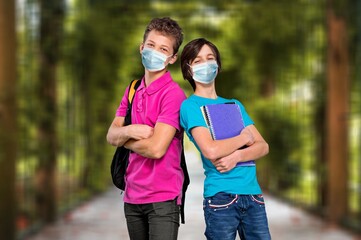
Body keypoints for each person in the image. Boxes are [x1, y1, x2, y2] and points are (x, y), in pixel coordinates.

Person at [180, 38, 271, 240]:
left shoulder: (234, 105)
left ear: (218, 65)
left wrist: (236, 156)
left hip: (253, 196)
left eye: (210, 58)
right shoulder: (191, 106)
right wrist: (244, 137)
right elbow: (211, 150)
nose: (205, 64)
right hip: (222, 198)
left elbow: (263, 146)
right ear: (188, 69)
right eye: (197, 60)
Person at [106, 17, 186, 240]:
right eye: (150, 45)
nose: (155, 52)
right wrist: (130, 131)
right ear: (142, 48)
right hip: (132, 196)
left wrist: (123, 138)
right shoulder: (132, 89)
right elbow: (111, 135)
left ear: (172, 58)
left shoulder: (173, 95)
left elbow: (156, 149)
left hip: (162, 199)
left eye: (163, 49)